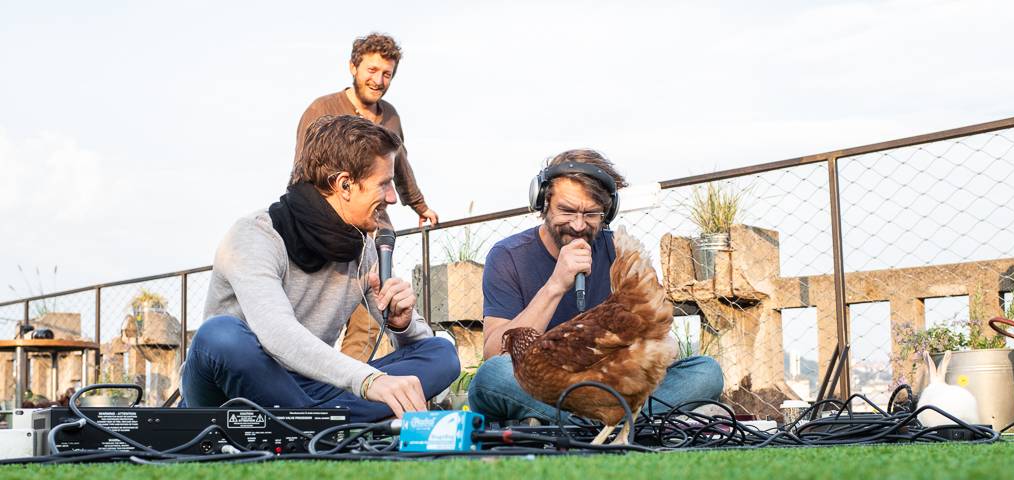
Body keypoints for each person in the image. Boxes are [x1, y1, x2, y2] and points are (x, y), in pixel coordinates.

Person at [181, 115, 460, 420]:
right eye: (384, 184)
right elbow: (277, 333)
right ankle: (322, 421)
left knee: (441, 354)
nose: (393, 198)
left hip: (308, 386)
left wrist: (402, 325)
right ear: (344, 185)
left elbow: (421, 350)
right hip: (232, 386)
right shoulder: (255, 235)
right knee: (220, 336)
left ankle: (309, 421)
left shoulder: (364, 247)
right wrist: (368, 381)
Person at [468, 149, 724, 423]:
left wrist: (650, 347)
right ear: (543, 202)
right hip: (545, 387)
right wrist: (555, 285)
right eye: (567, 210)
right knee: (493, 376)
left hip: (609, 385)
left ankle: (580, 425)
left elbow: (664, 343)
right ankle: (621, 423)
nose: (578, 225)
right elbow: (495, 353)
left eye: (591, 214)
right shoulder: (509, 256)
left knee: (706, 372)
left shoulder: (618, 253)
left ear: (608, 212)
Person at [295, 33, 438, 360]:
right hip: (328, 231)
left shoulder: (391, 116)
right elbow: (302, 172)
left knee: (371, 320)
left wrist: (420, 205)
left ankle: (350, 383)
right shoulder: (322, 109)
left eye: (387, 74)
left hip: (373, 233)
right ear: (353, 67)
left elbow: (401, 165)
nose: (379, 80)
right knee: (317, 316)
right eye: (372, 70)